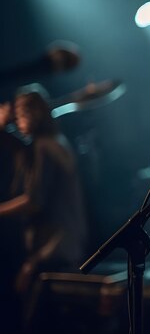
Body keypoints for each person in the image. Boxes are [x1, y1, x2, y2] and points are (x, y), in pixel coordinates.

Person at [0, 84, 88, 331]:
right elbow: (19, 150)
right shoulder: (55, 143)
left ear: (35, 112)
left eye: (21, 112)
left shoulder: (44, 146)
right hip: (65, 248)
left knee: (36, 323)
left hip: (54, 251)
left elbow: (34, 200)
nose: (18, 119)